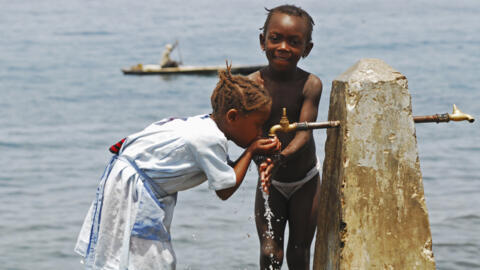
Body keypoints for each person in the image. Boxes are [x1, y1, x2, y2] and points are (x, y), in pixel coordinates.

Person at [74, 63, 281, 270]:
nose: (261, 131)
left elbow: (227, 172)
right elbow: (225, 189)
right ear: (233, 116)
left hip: (126, 178)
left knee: (130, 255)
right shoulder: (210, 138)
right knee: (149, 259)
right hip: (136, 191)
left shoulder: (206, 127)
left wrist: (254, 151)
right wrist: (252, 150)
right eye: (257, 125)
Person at [248, 5, 322, 270]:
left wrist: (280, 157)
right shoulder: (251, 86)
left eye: (294, 42)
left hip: (305, 181)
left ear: (307, 49)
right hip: (271, 181)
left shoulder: (310, 84)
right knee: (270, 253)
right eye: (275, 38)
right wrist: (262, 160)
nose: (283, 47)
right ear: (262, 42)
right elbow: (250, 134)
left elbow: (304, 131)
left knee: (299, 252)